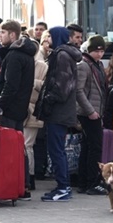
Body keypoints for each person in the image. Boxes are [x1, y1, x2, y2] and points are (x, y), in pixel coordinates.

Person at [37, 26, 82, 202]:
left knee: (56, 150)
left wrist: (48, 98)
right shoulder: (62, 54)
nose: (47, 40)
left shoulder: (62, 55)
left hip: (59, 111)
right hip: (60, 111)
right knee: (56, 149)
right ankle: (62, 186)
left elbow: (62, 86)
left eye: (49, 36)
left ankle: (63, 187)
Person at [0, 19, 36, 200]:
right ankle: (23, 184)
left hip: (10, 109)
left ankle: (14, 185)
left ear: (13, 34)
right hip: (20, 108)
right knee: (19, 148)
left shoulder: (14, 56)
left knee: (10, 149)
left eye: (3, 33)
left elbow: (10, 86)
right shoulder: (26, 54)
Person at [75, 35, 108, 196]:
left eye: (102, 51)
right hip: (88, 113)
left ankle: (84, 182)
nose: (100, 54)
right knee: (94, 147)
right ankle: (91, 182)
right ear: (90, 50)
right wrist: (90, 111)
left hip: (95, 111)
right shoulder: (84, 65)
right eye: (97, 50)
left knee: (88, 147)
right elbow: (78, 90)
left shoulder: (97, 64)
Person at [23, 39, 48, 191]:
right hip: (20, 109)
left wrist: (33, 82)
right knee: (23, 145)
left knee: (27, 145)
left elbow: (46, 87)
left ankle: (30, 176)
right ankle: (25, 175)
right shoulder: (20, 63)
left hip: (34, 110)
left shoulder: (43, 66)